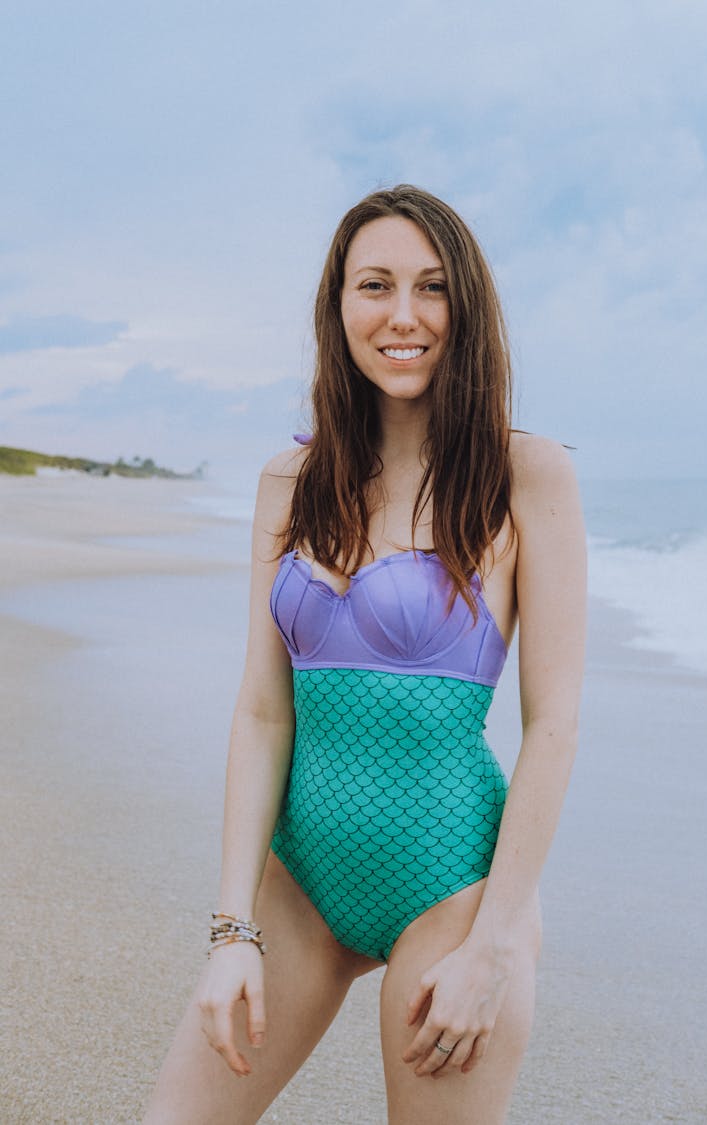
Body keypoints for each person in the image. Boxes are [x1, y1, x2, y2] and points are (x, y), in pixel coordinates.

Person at [143, 184, 587, 1124]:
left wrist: (498, 944)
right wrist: (232, 929)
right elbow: (263, 710)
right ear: (338, 305)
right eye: (374, 284)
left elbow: (552, 724)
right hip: (300, 883)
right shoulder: (290, 482)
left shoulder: (527, 474)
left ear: (464, 307)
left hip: (454, 892)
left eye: (430, 288)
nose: (402, 316)